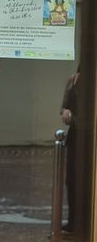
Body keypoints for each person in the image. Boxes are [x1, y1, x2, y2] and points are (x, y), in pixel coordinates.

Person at [60, 66, 80, 234]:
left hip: (84, 134)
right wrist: (67, 111)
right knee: (72, 181)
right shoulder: (74, 80)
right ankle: (74, 221)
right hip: (77, 137)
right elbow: (64, 109)